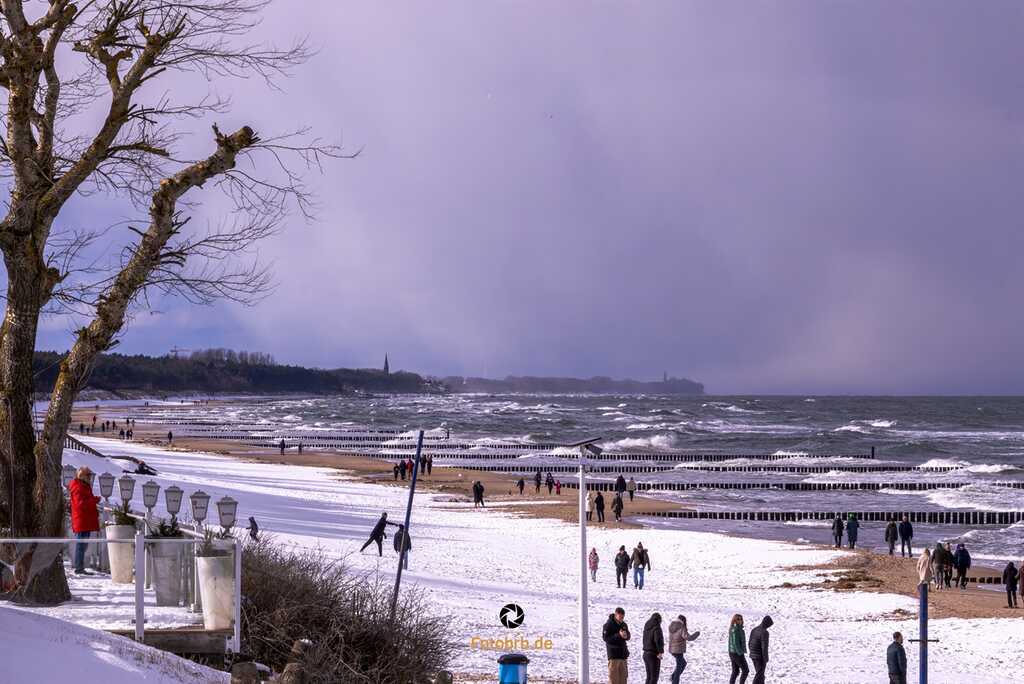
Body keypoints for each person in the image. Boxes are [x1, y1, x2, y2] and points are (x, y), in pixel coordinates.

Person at [68, 467, 101, 575]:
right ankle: (79, 568)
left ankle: (80, 567)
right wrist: (94, 500)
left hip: (84, 520)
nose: (90, 477)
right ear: (81, 476)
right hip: (81, 519)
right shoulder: (78, 487)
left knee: (83, 545)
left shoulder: (83, 486)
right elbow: (80, 504)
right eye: (88, 475)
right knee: (81, 545)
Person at [667, 614, 699, 684]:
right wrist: (696, 634)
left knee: (683, 663)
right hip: (678, 650)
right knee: (679, 667)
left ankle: (673, 677)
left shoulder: (671, 625)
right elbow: (688, 637)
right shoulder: (681, 627)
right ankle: (674, 681)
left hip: (672, 649)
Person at [603, 607, 631, 684]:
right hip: (614, 656)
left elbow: (628, 635)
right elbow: (606, 638)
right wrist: (618, 635)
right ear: (616, 615)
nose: (622, 618)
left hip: (623, 655)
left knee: (623, 679)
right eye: (620, 617)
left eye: (623, 617)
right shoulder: (608, 625)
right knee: (614, 680)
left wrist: (626, 636)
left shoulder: (624, 624)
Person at [747, 615, 772, 684]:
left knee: (761, 674)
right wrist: (765, 658)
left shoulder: (754, 629)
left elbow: (749, 643)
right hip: (759, 656)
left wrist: (752, 652)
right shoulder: (765, 632)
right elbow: (764, 647)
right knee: (759, 674)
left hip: (753, 655)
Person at [642, 612, 664, 684]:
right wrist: (660, 651)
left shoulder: (647, 626)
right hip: (653, 654)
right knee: (654, 678)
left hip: (646, 653)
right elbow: (658, 640)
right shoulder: (657, 627)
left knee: (649, 677)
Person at [728, 614, 749, 684]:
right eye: (738, 619)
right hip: (736, 653)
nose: (740, 620)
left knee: (735, 671)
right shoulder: (735, 629)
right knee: (745, 670)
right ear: (734, 620)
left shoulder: (737, 628)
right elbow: (735, 642)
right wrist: (740, 653)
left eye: (741, 619)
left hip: (733, 652)